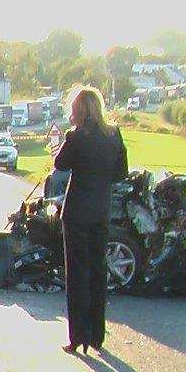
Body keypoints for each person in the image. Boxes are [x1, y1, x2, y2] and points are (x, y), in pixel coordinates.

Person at [53, 86, 128, 355]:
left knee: (77, 273)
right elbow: (121, 173)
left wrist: (64, 139)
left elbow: (60, 164)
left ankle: (78, 336)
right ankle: (97, 335)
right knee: (98, 271)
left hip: (76, 213)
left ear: (79, 110)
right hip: (100, 211)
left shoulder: (76, 137)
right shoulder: (113, 135)